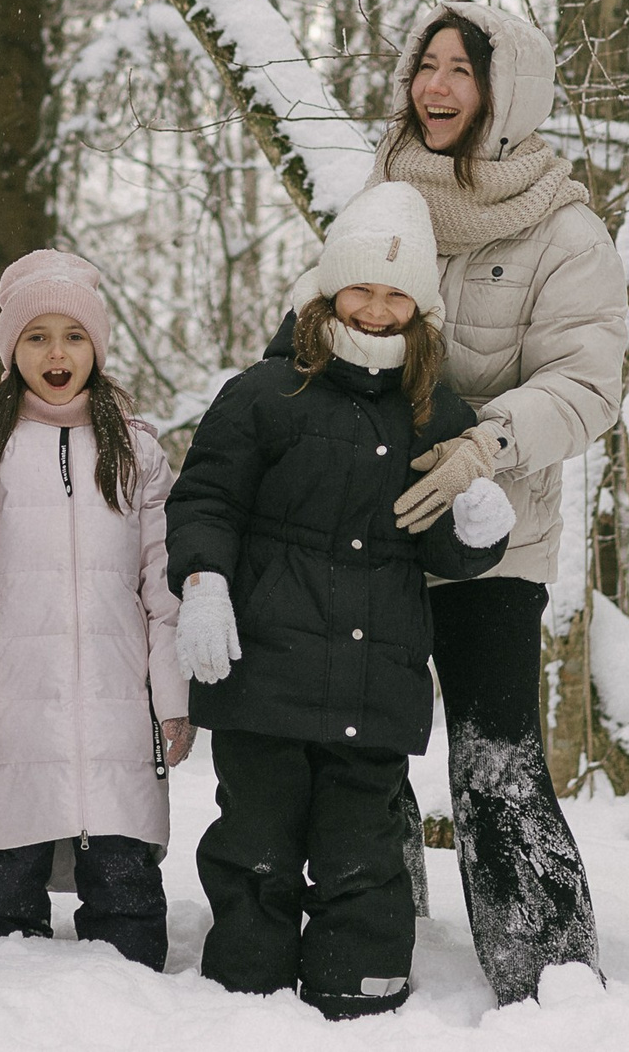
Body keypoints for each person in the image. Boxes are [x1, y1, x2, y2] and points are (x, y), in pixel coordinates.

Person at [167, 182, 515, 1019]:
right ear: (327, 291)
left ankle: (359, 990)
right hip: (268, 676)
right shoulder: (263, 392)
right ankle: (244, 989)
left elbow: (445, 547)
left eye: (397, 293)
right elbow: (205, 498)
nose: (377, 307)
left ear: (421, 306)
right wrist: (204, 580)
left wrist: (476, 525)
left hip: (374, 677)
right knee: (255, 842)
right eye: (361, 286)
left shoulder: (437, 411)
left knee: (364, 850)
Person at [371, 2, 625, 1004]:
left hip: (492, 537)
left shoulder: (564, 227)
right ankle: (368, 933)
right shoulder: (384, 199)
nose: (433, 88)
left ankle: (548, 970)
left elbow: (588, 382)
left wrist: (487, 444)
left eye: (458, 72)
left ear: (503, 93)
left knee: (493, 756)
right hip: (374, 533)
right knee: (362, 745)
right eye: (423, 66)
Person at [0, 249, 190, 971]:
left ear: (96, 345)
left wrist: (173, 701)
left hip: (119, 716)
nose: (57, 351)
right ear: (13, 349)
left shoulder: (138, 453)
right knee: (3, 909)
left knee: (129, 905)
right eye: (37, 335)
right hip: (13, 718)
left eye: (73, 334)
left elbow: (164, 591)